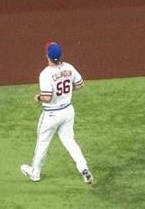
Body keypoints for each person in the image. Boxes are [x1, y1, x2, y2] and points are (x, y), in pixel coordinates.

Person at [19, 41, 94, 186]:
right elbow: (80, 84)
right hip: (67, 111)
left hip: (51, 114)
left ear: (47, 55)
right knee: (70, 142)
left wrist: (38, 97)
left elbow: (47, 97)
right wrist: (68, 91)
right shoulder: (69, 68)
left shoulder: (45, 74)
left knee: (43, 143)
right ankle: (84, 169)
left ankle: (35, 173)